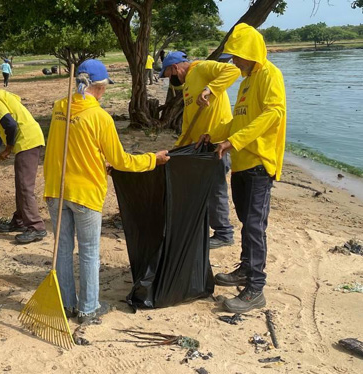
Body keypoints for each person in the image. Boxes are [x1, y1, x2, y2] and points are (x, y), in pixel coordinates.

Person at [43, 59, 170, 323]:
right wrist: (151, 159)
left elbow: (76, 145)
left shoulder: (59, 108)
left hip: (56, 189)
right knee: (88, 251)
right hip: (85, 193)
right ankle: (88, 309)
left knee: (63, 250)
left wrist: (101, 161)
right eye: (104, 88)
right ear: (99, 87)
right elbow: (122, 160)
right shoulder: (99, 116)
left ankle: (67, 305)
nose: (104, 92)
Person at [197, 23, 286, 313]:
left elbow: (273, 115)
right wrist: (218, 134)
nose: (234, 62)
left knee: (254, 227)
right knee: (247, 223)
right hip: (241, 163)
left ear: (251, 53)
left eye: (237, 56)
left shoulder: (270, 75)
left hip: (260, 163)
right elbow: (240, 120)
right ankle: (246, 269)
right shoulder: (246, 82)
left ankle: (255, 288)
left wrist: (233, 141)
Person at [161, 51, 241, 249]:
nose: (172, 80)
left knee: (216, 189)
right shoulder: (188, 85)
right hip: (199, 145)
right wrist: (177, 149)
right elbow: (188, 124)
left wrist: (209, 90)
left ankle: (224, 233)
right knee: (201, 187)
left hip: (216, 143)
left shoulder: (202, 68)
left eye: (170, 75)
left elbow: (232, 70)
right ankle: (204, 226)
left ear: (175, 67)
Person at [0, 78, 47, 244]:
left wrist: (8, 148)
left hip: (27, 142)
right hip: (28, 141)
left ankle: (36, 227)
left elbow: (11, 126)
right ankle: (19, 221)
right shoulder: (1, 97)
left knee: (25, 187)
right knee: (20, 184)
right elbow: (0, 133)